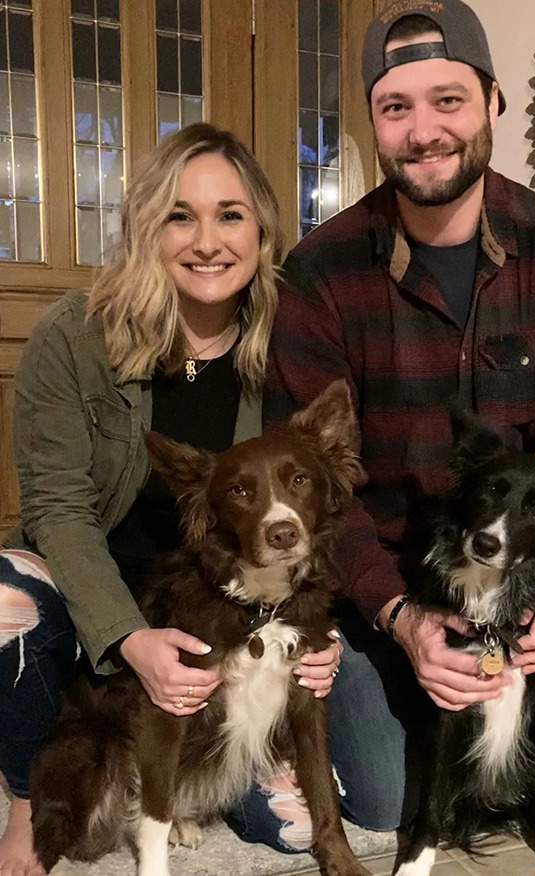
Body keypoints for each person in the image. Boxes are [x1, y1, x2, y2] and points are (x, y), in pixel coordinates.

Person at [264, 0, 535, 852]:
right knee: (392, 802)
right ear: (374, 125)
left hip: (512, 533)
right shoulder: (320, 273)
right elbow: (315, 487)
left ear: (494, 104)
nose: (424, 130)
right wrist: (401, 617)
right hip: (381, 565)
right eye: (397, 107)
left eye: (448, 100)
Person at [0, 123, 341, 876]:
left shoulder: (290, 333)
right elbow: (58, 509)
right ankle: (28, 794)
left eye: (230, 215)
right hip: (100, 584)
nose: (207, 240)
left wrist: (321, 633)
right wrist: (127, 637)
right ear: (145, 228)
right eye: (180, 215)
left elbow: (318, 490)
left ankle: (223, 778)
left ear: (262, 231)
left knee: (343, 803)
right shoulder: (76, 333)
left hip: (229, 596)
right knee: (3, 603)